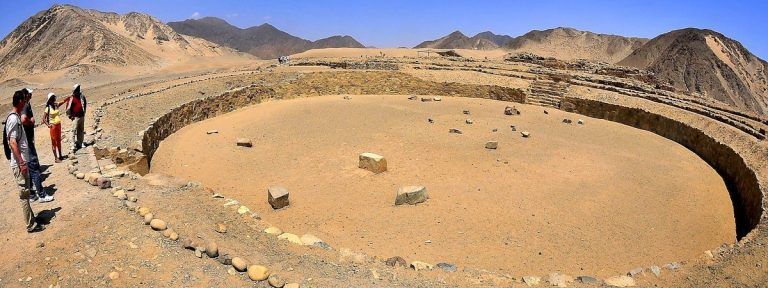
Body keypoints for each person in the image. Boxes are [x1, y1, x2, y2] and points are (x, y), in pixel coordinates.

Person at [5, 90, 44, 232]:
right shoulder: (14, 119)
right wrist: (21, 162)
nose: (26, 102)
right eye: (24, 100)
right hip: (19, 164)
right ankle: (30, 225)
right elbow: (12, 142)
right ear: (20, 101)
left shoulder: (15, 117)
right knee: (24, 195)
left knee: (26, 193)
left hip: (22, 162)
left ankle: (32, 219)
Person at [20, 88, 53, 203]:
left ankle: (32, 194)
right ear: (26, 95)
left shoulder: (21, 105)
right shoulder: (25, 105)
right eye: (30, 93)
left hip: (24, 143)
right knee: (34, 169)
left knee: (28, 170)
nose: (31, 94)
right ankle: (42, 195)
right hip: (28, 143)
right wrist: (31, 121)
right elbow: (24, 119)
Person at [42, 93, 66, 163]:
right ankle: (56, 158)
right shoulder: (47, 108)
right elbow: (44, 118)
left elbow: (63, 102)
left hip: (58, 125)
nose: (54, 99)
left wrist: (68, 98)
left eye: (54, 98)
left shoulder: (56, 105)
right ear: (50, 100)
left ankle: (60, 155)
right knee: (54, 142)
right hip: (53, 126)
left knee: (58, 140)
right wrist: (48, 125)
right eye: (53, 98)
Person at [65, 84, 86, 153]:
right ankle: (72, 145)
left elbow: (84, 104)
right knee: (73, 131)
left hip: (81, 116)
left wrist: (84, 112)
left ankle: (80, 143)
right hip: (75, 117)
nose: (78, 90)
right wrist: (70, 116)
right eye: (77, 89)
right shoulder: (72, 98)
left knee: (81, 130)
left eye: (78, 89)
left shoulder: (82, 96)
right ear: (74, 90)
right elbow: (68, 108)